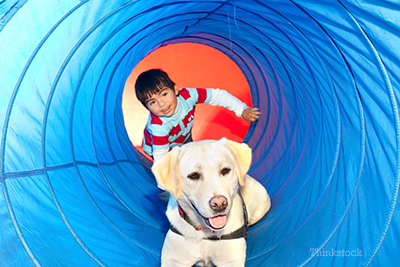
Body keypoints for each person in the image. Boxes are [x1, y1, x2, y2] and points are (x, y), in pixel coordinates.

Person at [135, 69, 260, 161]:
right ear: (147, 107)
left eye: (164, 94)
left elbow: (218, 96)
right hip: (160, 149)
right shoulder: (158, 126)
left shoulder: (188, 96)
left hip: (184, 138)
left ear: (175, 89)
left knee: (196, 160)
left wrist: (242, 109)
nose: (161, 104)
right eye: (152, 102)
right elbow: (161, 160)